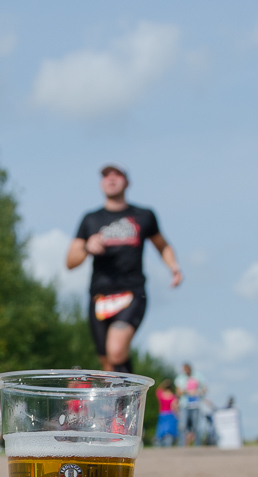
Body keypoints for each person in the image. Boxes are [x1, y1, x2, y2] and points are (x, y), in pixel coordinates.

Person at [66, 164, 183, 373]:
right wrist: (86, 246)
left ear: (126, 182)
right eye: (106, 176)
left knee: (116, 349)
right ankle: (124, 404)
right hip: (99, 297)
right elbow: (70, 262)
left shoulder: (144, 215)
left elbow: (162, 245)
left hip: (131, 292)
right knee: (108, 363)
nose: (111, 179)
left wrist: (174, 267)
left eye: (117, 175)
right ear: (101, 183)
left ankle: (130, 402)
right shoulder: (90, 220)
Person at [174, 363, 206, 445]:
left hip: (196, 404)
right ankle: (181, 445)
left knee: (196, 427)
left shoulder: (198, 376)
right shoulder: (180, 378)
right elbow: (178, 392)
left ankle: (197, 445)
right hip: (184, 405)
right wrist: (186, 391)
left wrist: (197, 392)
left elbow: (204, 389)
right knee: (183, 426)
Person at [154, 380, 179, 447]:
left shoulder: (162, 395)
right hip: (170, 415)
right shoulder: (173, 397)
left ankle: (158, 446)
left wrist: (163, 383)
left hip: (162, 415)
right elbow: (175, 407)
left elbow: (158, 390)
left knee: (160, 432)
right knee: (169, 433)